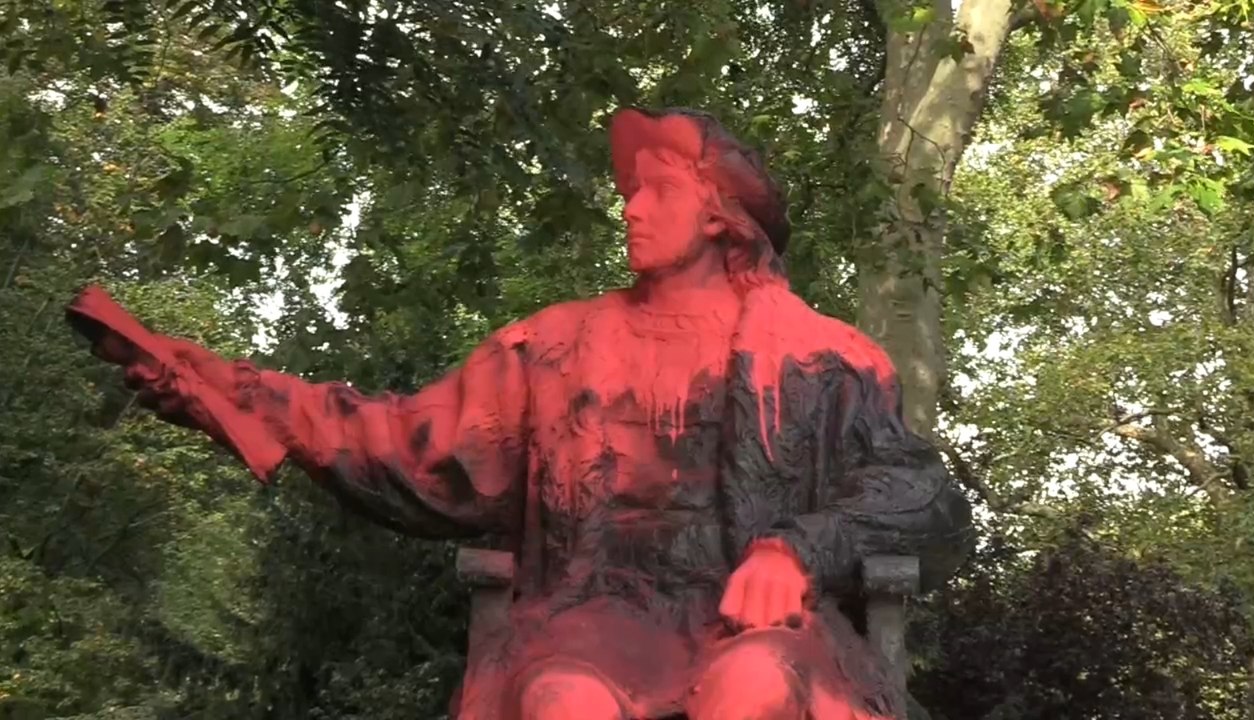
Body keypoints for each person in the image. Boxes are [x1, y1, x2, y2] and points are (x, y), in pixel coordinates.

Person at [68, 107, 974, 720]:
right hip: (591, 616)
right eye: (630, 190)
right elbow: (403, 444)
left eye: (656, 187)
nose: (632, 207)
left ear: (719, 212)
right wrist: (219, 394)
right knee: (563, 705)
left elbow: (917, 487)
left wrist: (794, 548)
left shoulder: (819, 353)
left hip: (758, 629)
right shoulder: (554, 347)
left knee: (751, 687)